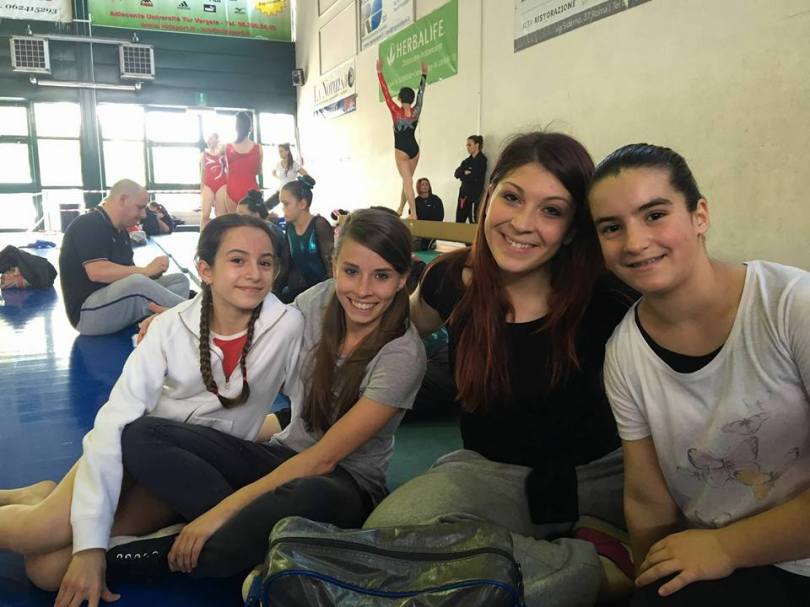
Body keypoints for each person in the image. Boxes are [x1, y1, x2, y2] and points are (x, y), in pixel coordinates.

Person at [363, 132, 637, 607]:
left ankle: (591, 565)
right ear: (488, 196)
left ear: (573, 228)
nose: (522, 223)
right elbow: (392, 332)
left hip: (595, 479)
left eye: (551, 210)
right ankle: (582, 564)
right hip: (490, 474)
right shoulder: (451, 279)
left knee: (452, 586)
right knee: (386, 536)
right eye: (512, 197)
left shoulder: (608, 301)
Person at [0, 213, 303, 607]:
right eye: (237, 260)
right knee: (36, 532)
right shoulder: (168, 329)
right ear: (205, 270)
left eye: (265, 262)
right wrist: (90, 547)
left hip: (184, 472)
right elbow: (113, 425)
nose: (253, 274)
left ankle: (44, 494)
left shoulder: (287, 326)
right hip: (132, 451)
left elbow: (304, 403)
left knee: (47, 572)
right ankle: (43, 502)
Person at [114, 208, 427, 580]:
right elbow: (245, 315)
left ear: (402, 278)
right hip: (282, 456)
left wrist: (219, 513)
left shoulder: (402, 355)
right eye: (351, 271)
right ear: (334, 266)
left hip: (342, 483)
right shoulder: (319, 301)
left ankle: (164, 548)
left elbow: (323, 459)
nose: (362, 290)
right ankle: (242, 531)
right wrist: (174, 320)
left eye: (381, 276)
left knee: (303, 497)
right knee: (143, 433)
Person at [588, 143, 810, 606]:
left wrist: (726, 548)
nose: (634, 242)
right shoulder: (625, 353)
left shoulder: (791, 305)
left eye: (654, 215)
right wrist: (651, 581)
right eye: (612, 228)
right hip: (709, 560)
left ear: (700, 215)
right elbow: (647, 498)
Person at [58, 179, 190, 336]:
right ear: (123, 200)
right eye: (140, 207)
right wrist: (146, 271)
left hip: (114, 301)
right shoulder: (88, 224)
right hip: (87, 315)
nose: (144, 215)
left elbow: (127, 274)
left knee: (179, 280)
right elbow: (97, 272)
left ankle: (167, 318)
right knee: (138, 282)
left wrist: (151, 274)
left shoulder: (121, 232)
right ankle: (196, 318)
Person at [376, 58, 429, 220]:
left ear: (399, 98)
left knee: (408, 181)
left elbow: (386, 93)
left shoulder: (395, 111)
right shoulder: (416, 110)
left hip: (401, 151)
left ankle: (413, 213)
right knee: (407, 181)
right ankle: (400, 207)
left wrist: (379, 72)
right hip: (414, 150)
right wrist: (424, 74)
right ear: (411, 99)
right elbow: (421, 93)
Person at [280, 177, 334, 302]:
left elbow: (331, 266)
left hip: (323, 293)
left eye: (286, 204)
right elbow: (285, 264)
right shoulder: (289, 228)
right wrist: (273, 291)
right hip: (303, 292)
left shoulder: (319, 224)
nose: (283, 208)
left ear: (302, 204)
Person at [237, 189, 290, 297]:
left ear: (256, 215)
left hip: (280, 283)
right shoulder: (255, 231)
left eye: (241, 214)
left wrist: (272, 289)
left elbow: (281, 264)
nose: (238, 218)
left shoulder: (268, 233)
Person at [225, 111, 263, 213]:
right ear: (250, 128)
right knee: (251, 222)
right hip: (251, 192)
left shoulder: (227, 147)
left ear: (236, 128)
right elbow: (259, 171)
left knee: (233, 222)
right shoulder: (258, 148)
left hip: (232, 190)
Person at [454, 135, 488, 223]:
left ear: (477, 145)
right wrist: (464, 173)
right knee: (459, 221)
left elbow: (474, 176)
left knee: (473, 221)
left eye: (469, 145)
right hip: (463, 195)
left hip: (474, 197)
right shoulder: (466, 161)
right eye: (467, 145)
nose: (467, 147)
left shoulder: (481, 160)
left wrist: (464, 175)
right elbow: (456, 174)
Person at [200, 132, 227, 229]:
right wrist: (202, 189)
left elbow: (229, 170)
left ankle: (220, 236)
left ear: (217, 140)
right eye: (208, 139)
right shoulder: (204, 155)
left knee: (221, 215)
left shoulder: (223, 155)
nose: (208, 141)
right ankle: (202, 236)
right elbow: (203, 172)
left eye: (211, 138)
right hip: (208, 185)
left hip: (221, 185)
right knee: (205, 215)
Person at [413, 177, 444, 251]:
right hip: (420, 229)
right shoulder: (415, 201)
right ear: (419, 187)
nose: (425, 186)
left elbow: (441, 215)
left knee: (428, 247)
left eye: (427, 184)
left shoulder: (436, 199)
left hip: (433, 228)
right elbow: (412, 214)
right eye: (423, 185)